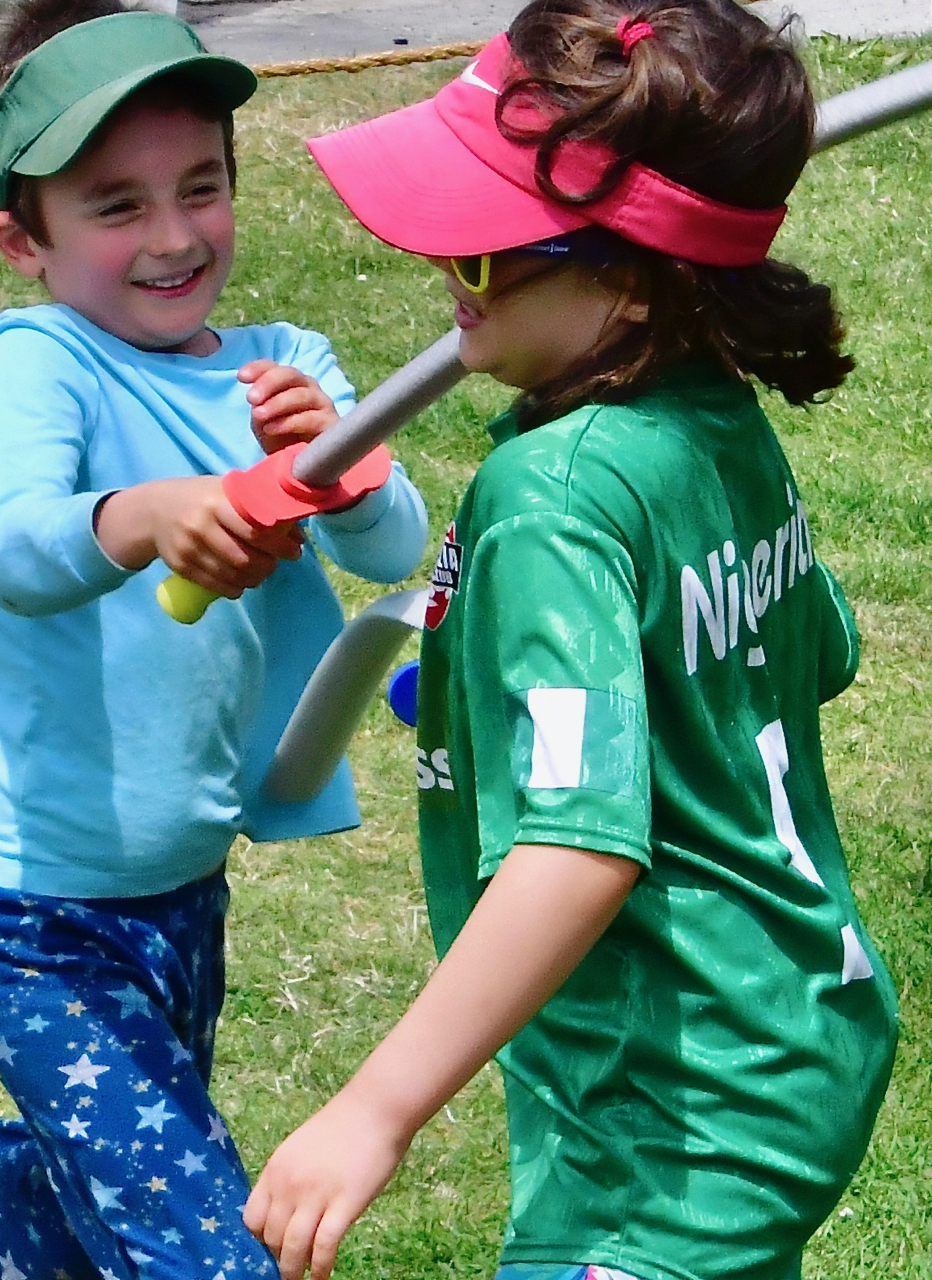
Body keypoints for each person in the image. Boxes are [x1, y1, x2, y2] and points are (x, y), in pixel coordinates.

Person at [242, 4, 899, 1279]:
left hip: (668, 1117)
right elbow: (816, 649)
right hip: (790, 1023)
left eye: (483, 255)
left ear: (634, 265)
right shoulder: (716, 417)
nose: (445, 276)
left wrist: (372, 1112)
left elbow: (574, 850)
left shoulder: (551, 494)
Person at [0, 2, 426, 1278]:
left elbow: (390, 548)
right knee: (200, 1247)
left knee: (63, 1191)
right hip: (29, 912)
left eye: (199, 188)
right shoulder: (38, 361)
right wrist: (147, 516)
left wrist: (350, 465)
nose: (172, 236)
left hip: (177, 895)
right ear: (19, 238)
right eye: (116, 205)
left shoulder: (280, 369)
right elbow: (14, 544)